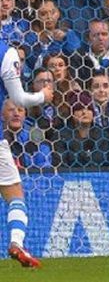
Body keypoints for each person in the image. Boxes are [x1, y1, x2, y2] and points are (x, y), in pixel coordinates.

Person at [0, 37, 54, 268]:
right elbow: (19, 98)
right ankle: (16, 242)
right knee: (14, 194)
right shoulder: (6, 52)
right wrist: (43, 96)